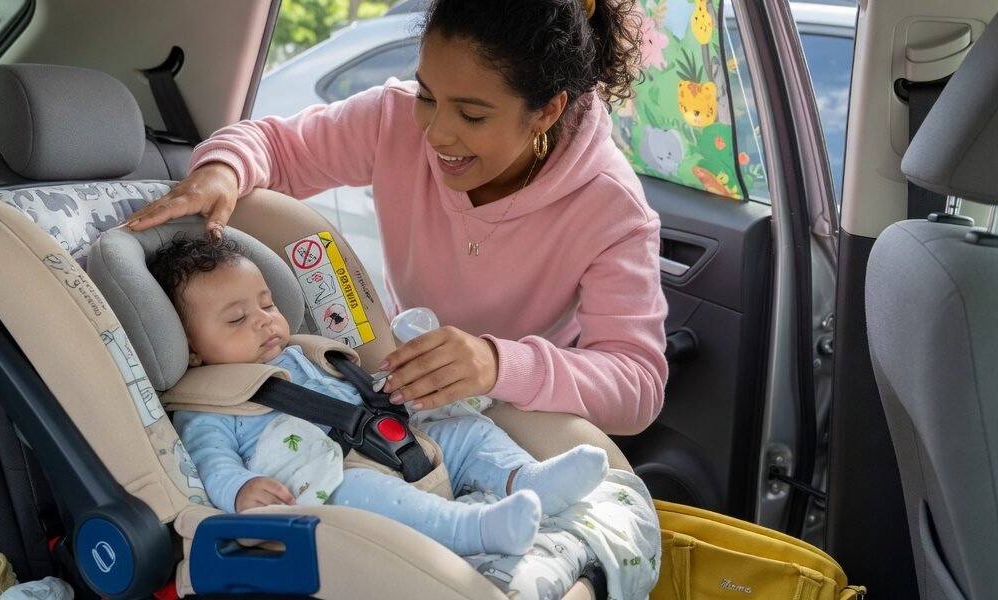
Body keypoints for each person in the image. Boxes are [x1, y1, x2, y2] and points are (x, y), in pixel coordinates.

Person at [124, 0, 667, 436]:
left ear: (546, 111)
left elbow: (637, 385)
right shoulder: (393, 122)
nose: (435, 134)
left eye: (472, 114)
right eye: (427, 96)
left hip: (516, 413)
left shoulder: (611, 208)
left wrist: (496, 364)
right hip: (398, 379)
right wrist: (220, 170)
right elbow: (271, 146)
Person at [153, 235, 608, 556]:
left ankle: (527, 481)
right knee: (359, 488)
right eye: (236, 319)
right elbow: (212, 462)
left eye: (267, 304)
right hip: (327, 485)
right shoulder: (208, 406)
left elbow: (354, 396)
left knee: (468, 431)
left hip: (391, 440)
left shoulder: (303, 356)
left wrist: (401, 392)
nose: (263, 320)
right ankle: (473, 531)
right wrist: (240, 489)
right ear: (191, 349)